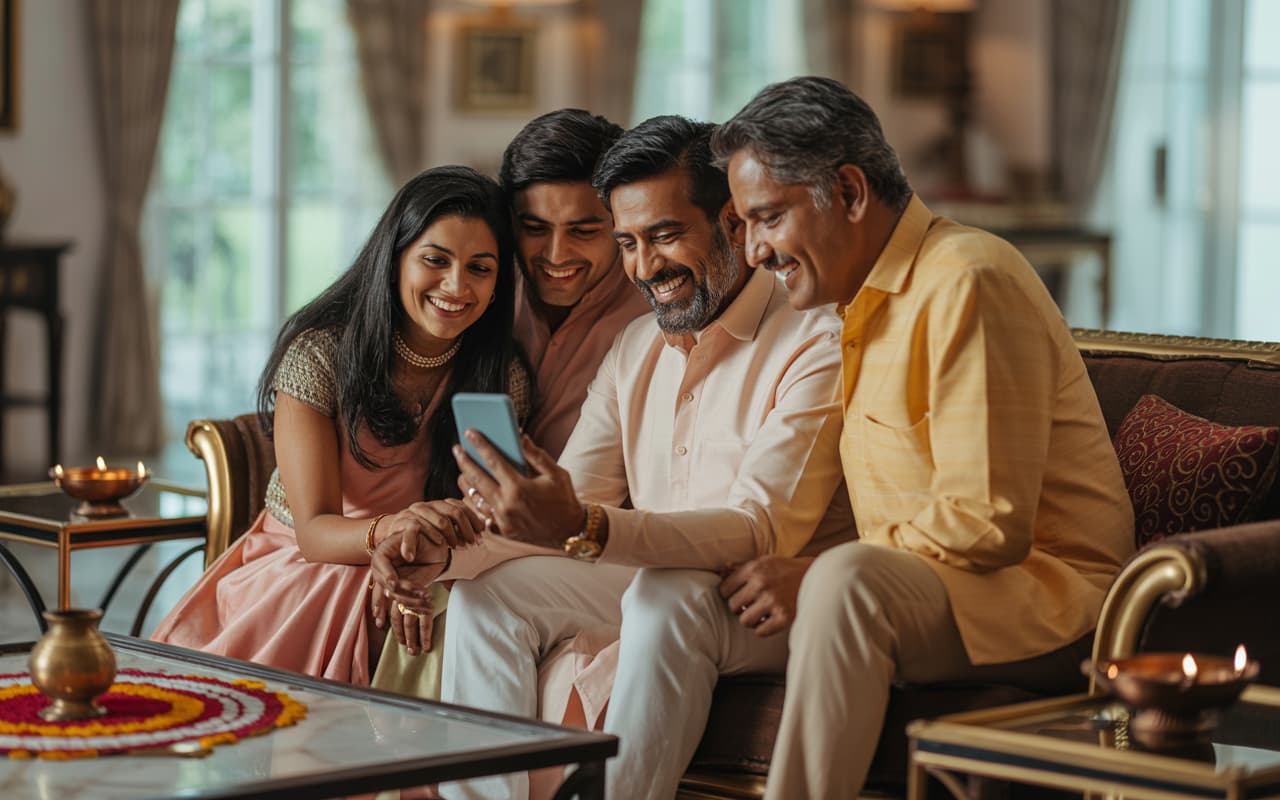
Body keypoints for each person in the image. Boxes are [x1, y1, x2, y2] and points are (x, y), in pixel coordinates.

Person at [710, 76, 1135, 798]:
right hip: (931, 590)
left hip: (1050, 598)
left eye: (768, 218)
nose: (752, 251)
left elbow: (989, 520)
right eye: (743, 227)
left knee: (843, 583)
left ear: (848, 193)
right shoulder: (852, 306)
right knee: (686, 598)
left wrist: (818, 572)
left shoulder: (968, 278)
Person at [421, 115, 855, 800]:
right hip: (656, 580)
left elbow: (760, 530)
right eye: (627, 242)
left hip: (777, 598)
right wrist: (435, 551)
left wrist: (588, 527)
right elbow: (574, 496)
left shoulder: (816, 340)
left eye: (664, 235)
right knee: (487, 595)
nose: (643, 268)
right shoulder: (634, 347)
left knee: (666, 592)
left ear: (736, 225)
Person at [151, 166, 527, 685]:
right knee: (387, 615)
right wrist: (391, 534)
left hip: (426, 561)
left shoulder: (501, 376)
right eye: (435, 261)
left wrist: (412, 556)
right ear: (394, 258)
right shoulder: (320, 355)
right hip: (308, 563)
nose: (456, 286)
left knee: (474, 613)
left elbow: (489, 514)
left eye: (480, 269)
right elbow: (314, 533)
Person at [368, 109, 650, 698]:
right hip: (459, 524)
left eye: (584, 229)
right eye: (533, 227)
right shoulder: (478, 291)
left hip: (588, 545)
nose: (554, 253)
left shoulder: (652, 318)